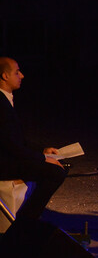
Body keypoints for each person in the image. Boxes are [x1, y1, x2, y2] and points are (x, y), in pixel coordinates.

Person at [0, 57, 66, 220]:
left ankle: (29, 217)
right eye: (17, 72)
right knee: (55, 172)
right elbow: (11, 145)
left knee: (61, 164)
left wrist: (42, 151)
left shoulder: (5, 100)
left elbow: (17, 139)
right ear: (5, 76)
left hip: (10, 157)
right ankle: (26, 220)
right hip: (4, 163)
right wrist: (43, 158)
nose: (21, 75)